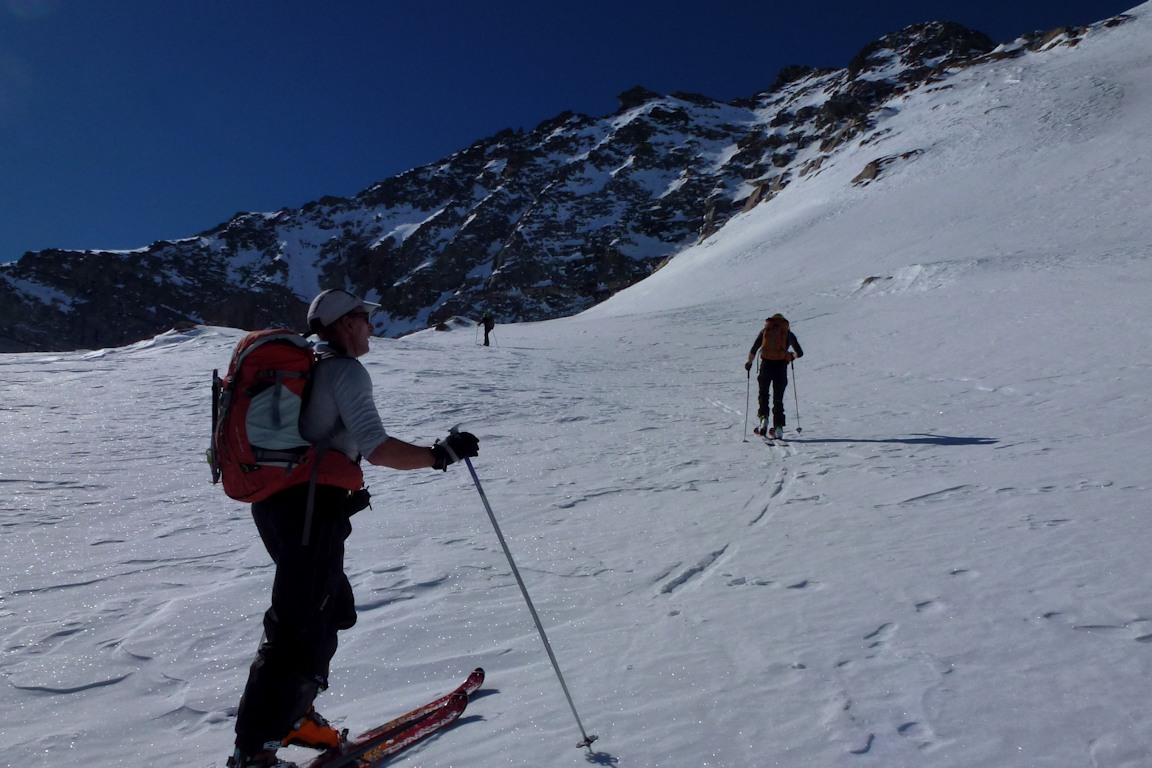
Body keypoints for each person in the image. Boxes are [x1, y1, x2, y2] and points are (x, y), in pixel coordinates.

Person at [227, 289, 480, 768]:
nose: (371, 327)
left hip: (283, 508)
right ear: (345, 323)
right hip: (308, 510)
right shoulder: (343, 370)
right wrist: (439, 455)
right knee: (298, 624)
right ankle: (253, 754)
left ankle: (292, 717)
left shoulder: (314, 368)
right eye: (365, 318)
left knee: (330, 613)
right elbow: (378, 447)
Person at [745, 313, 804, 439]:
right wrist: (790, 356)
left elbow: (754, 348)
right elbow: (800, 353)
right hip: (781, 367)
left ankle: (763, 420)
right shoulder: (787, 333)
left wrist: (749, 363)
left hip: (766, 366)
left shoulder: (766, 331)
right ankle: (778, 428)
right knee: (778, 399)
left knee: (764, 394)